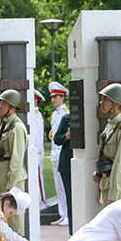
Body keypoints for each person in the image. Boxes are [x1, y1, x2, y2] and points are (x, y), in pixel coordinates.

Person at [0, 89, 29, 237]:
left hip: (11, 181)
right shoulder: (6, 125)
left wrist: (10, 187)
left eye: (3, 104)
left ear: (12, 106)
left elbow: (16, 160)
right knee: (2, 220)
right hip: (1, 178)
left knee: (14, 220)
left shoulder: (17, 128)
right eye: (0, 103)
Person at [94, 83, 121, 209]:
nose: (101, 103)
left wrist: (114, 195)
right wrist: (99, 176)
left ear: (117, 103)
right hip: (107, 184)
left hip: (119, 189)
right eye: (102, 99)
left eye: (105, 99)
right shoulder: (111, 124)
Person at [48, 82, 70, 226]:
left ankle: (68, 215)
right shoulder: (54, 115)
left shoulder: (66, 113)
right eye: (52, 97)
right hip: (55, 154)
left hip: (62, 153)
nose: (53, 99)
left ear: (62, 97)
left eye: (56, 96)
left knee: (65, 187)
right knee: (59, 188)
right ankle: (63, 214)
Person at [54, 113, 73, 234]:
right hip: (67, 165)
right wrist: (67, 136)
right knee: (70, 199)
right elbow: (56, 138)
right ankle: (72, 231)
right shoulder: (67, 118)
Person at [31, 89, 46, 206]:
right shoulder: (32, 114)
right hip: (35, 152)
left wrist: (37, 152)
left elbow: (37, 136)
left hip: (37, 153)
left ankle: (41, 201)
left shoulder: (35, 115)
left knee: (38, 178)